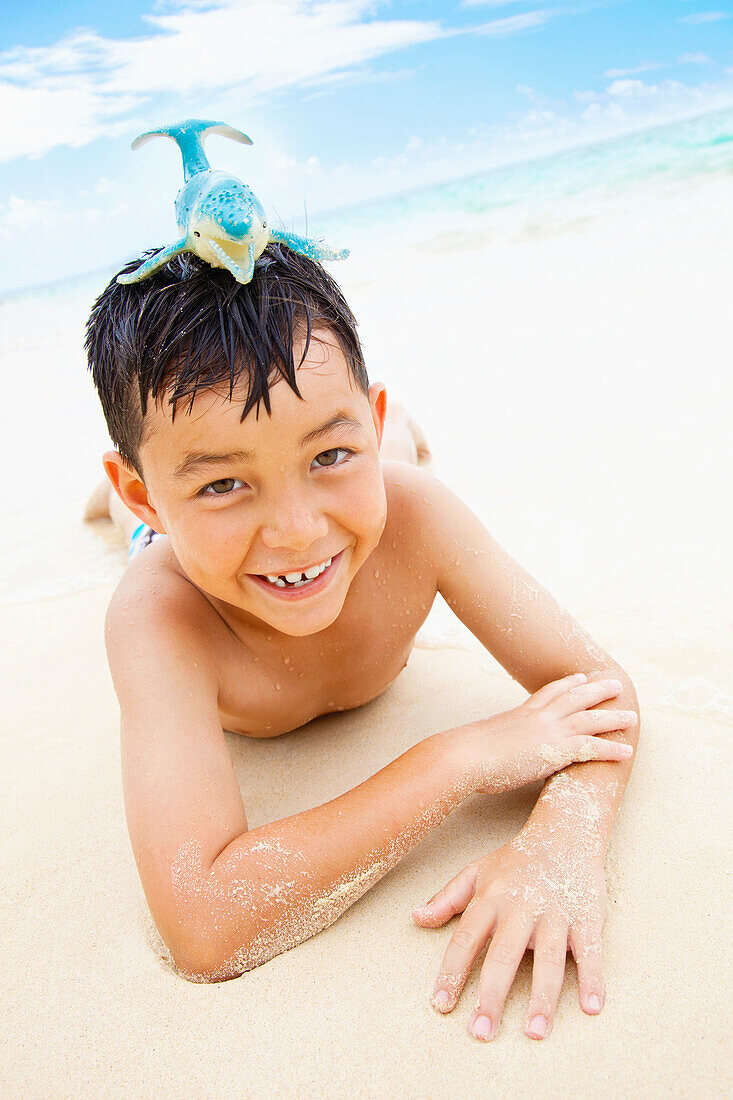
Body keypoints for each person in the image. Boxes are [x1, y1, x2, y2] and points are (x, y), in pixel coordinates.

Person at [84, 243, 639, 1044]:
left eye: (331, 452)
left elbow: (600, 689)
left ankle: (378, 439)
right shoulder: (159, 618)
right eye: (219, 483)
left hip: (380, 489)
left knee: (396, 484)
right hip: (167, 551)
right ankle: (113, 500)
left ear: (361, 426)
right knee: (128, 530)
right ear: (155, 489)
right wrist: (455, 761)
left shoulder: (413, 520)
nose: (295, 529)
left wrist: (563, 834)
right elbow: (203, 928)